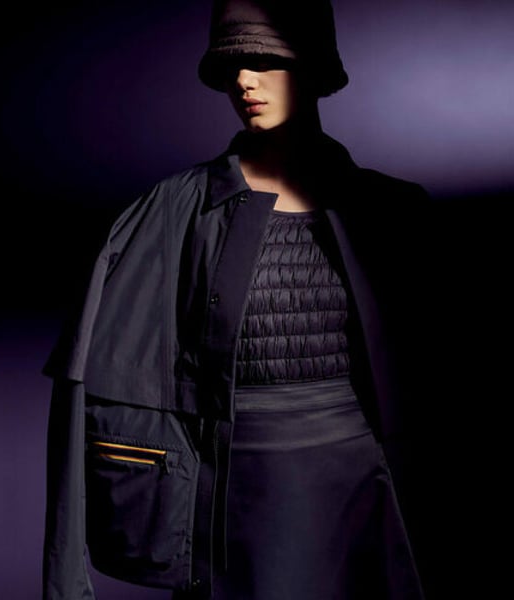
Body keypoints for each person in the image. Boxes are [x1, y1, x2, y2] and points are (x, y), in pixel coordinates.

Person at [42, 1, 432, 598]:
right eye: (233, 66)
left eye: (265, 61)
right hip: (232, 490)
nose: (245, 81)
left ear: (314, 70)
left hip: (363, 483)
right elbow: (89, 379)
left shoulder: (395, 213)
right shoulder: (168, 211)